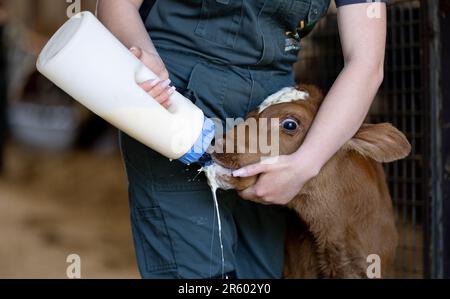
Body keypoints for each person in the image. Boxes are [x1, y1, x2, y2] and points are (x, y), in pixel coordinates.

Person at [97, 0, 388, 279]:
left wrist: (305, 163)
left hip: (271, 118)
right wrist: (141, 57)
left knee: (261, 271)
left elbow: (366, 62)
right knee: (196, 269)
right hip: (177, 100)